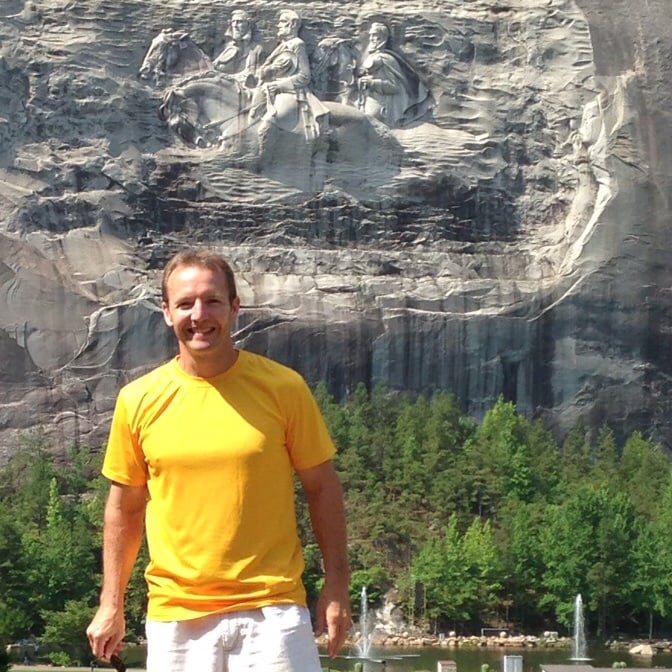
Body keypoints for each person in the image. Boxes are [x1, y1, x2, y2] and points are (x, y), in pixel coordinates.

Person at [86, 248, 351, 672]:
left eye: (212, 301)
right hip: (177, 620)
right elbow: (125, 507)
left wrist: (337, 586)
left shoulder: (284, 388)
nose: (199, 315)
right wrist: (110, 603)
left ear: (234, 307)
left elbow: (322, 487)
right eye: (185, 303)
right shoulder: (137, 400)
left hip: (273, 614)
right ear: (166, 313)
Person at [248, 9, 329, 152]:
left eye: (282, 22)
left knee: (267, 125)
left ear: (292, 24)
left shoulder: (298, 44)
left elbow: (304, 76)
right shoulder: (281, 45)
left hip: (291, 93)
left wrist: (279, 85)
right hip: (268, 90)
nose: (278, 25)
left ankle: (263, 157)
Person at [358, 22, 433, 128]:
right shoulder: (373, 56)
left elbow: (395, 87)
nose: (371, 38)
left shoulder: (386, 59)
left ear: (383, 37)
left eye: (374, 35)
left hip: (383, 105)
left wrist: (372, 83)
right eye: (370, 35)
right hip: (368, 99)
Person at [213, 10, 264, 88]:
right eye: (233, 22)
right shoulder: (224, 47)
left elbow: (255, 75)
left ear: (248, 24)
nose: (235, 25)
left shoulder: (256, 49)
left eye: (240, 22)